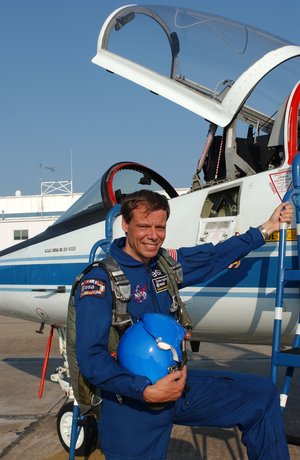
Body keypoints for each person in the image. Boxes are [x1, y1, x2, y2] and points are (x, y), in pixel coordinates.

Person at [74, 190, 294, 460]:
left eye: (160, 227)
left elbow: (214, 257)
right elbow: (91, 359)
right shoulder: (99, 282)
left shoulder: (164, 266)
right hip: (131, 401)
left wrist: (266, 228)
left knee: (260, 395)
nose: (153, 235)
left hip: (178, 387)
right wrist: (145, 391)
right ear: (125, 225)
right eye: (144, 226)